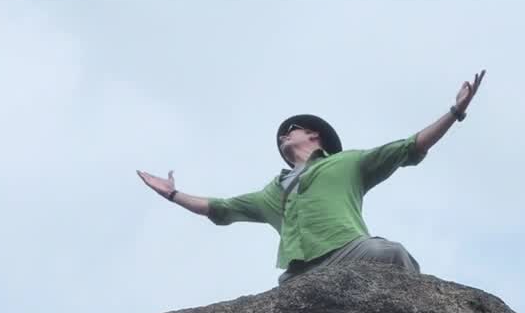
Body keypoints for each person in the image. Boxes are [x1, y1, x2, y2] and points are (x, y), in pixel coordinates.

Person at [137, 70, 485, 286]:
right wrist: (173, 194)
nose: (283, 135)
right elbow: (220, 208)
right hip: (299, 273)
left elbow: (409, 146)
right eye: (281, 135)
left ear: (314, 136)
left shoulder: (346, 163)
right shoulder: (273, 192)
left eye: (291, 130)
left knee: (392, 254)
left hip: (349, 251)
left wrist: (454, 112)